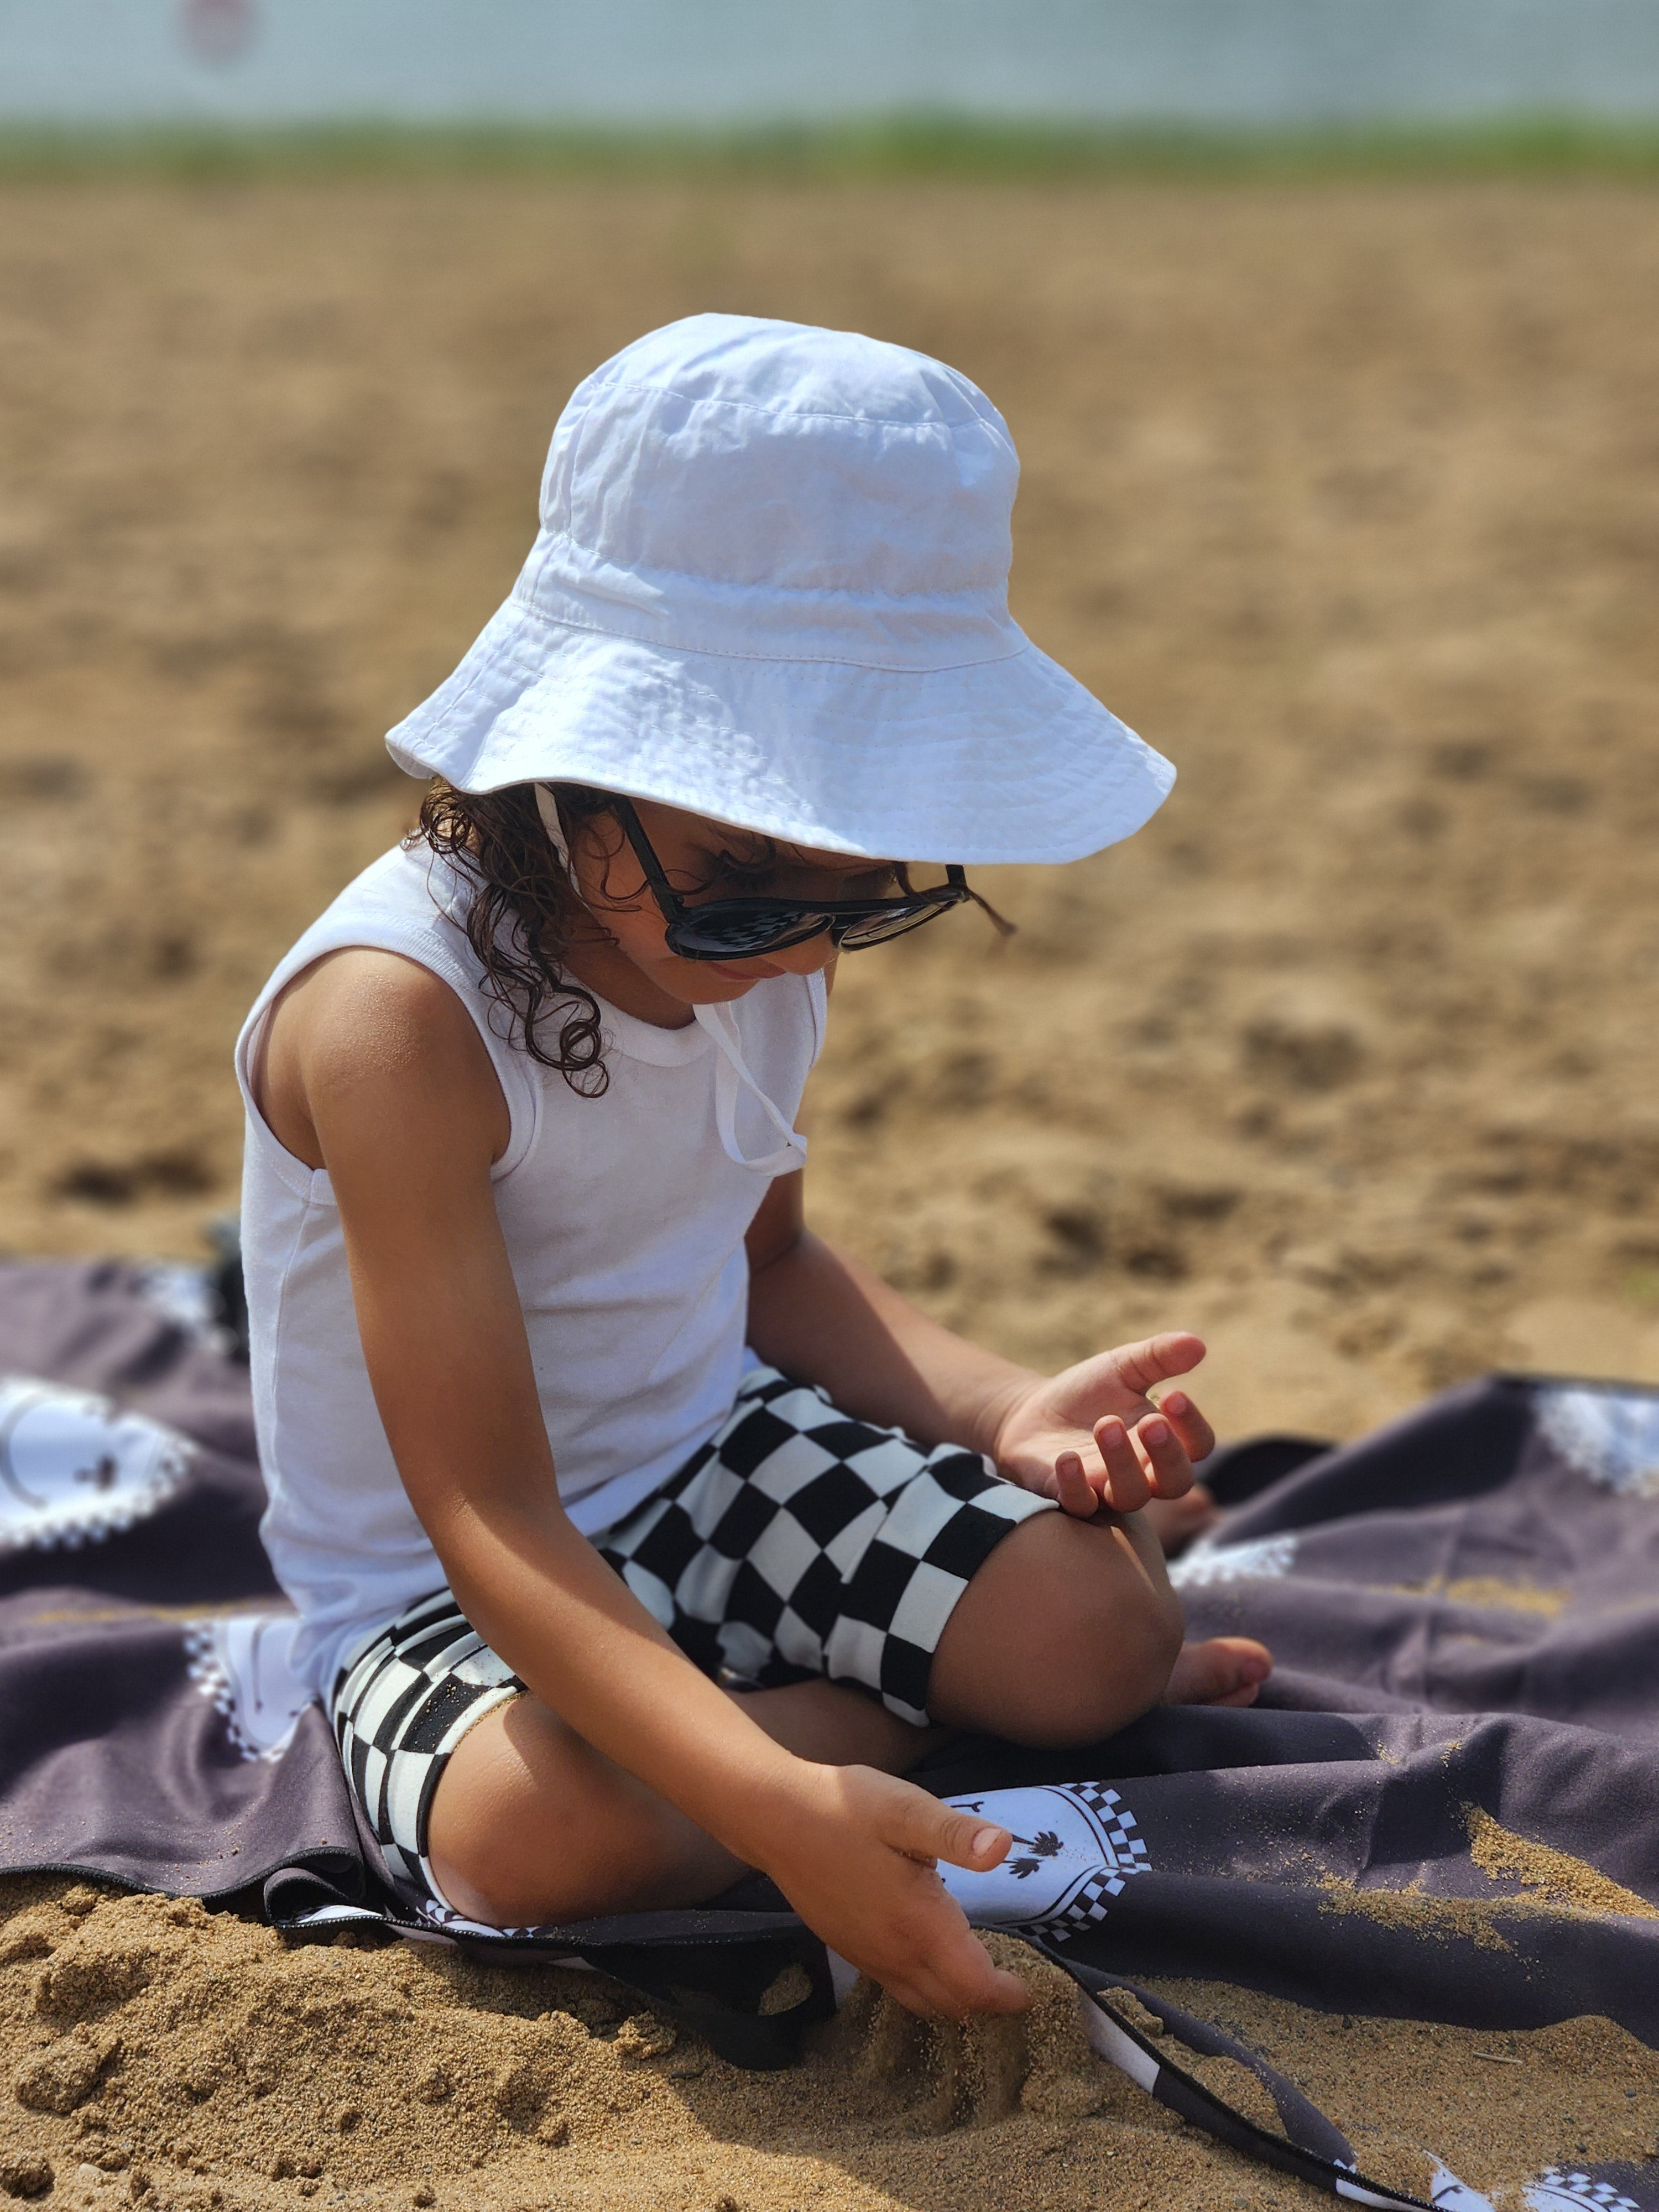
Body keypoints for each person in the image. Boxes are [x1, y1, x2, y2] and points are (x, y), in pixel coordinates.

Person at [237, 314, 1270, 2023]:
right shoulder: (396, 1025)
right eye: (743, 874)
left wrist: (1000, 1412)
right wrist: (775, 1807)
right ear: (566, 773)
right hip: (456, 1587)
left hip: (714, 1457)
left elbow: (771, 1268)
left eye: (865, 887)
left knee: (1095, 1632)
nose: (802, 940)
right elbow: (486, 1510)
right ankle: (875, 1733)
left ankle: (841, 1723)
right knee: (532, 1843)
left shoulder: (759, 941)